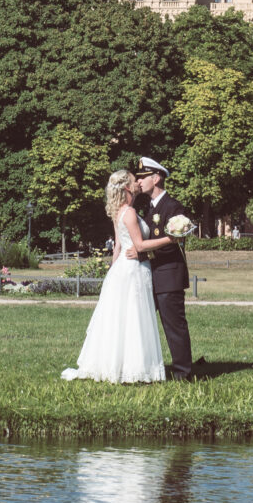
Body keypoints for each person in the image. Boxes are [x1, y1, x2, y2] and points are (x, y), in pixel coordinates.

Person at [61, 170, 170, 383]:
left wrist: (112, 273)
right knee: (135, 318)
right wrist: (170, 239)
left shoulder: (118, 211)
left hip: (123, 270)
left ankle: (118, 366)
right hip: (134, 270)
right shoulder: (129, 212)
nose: (138, 182)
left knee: (122, 319)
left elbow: (118, 247)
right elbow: (138, 245)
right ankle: (134, 368)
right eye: (133, 180)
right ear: (127, 187)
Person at [128, 157, 194, 381]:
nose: (138, 182)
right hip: (150, 275)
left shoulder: (173, 206)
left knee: (173, 326)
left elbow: (175, 242)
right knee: (141, 323)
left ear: (156, 178)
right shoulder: (147, 207)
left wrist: (143, 252)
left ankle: (182, 373)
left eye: (142, 178)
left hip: (168, 275)